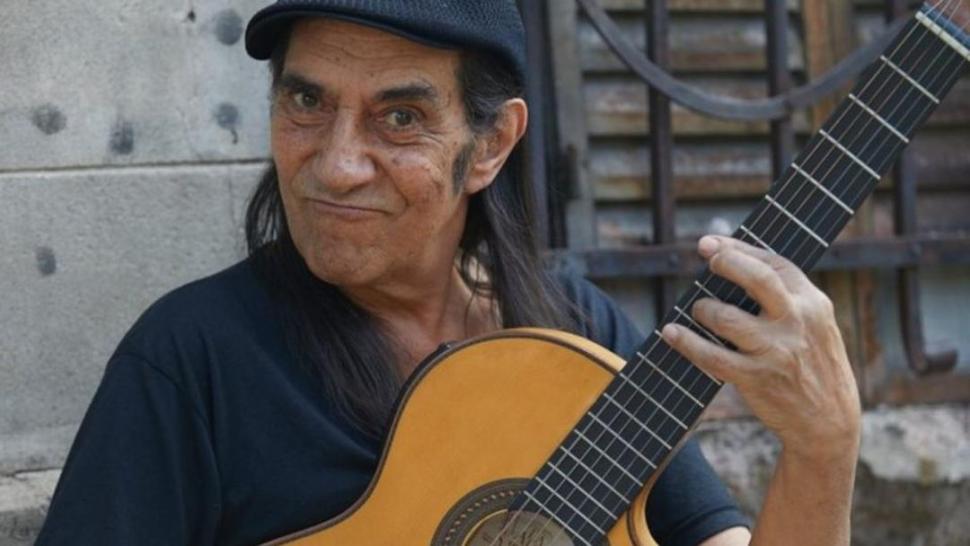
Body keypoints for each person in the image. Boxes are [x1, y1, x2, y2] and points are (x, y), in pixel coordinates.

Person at [35, 1, 861, 545]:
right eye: (306, 103)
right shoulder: (190, 362)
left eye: (399, 117)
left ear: (491, 144)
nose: (337, 165)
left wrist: (825, 447)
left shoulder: (577, 335)